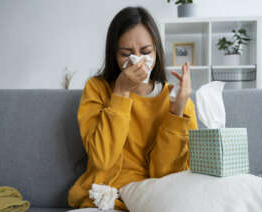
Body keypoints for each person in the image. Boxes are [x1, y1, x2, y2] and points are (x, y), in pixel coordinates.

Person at [67, 6, 198, 212]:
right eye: (126, 54)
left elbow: (167, 175)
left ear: (156, 51)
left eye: (145, 52)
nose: (137, 60)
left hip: (153, 197)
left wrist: (177, 112)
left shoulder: (177, 100)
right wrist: (120, 92)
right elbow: (102, 159)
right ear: (114, 54)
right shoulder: (97, 89)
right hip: (105, 196)